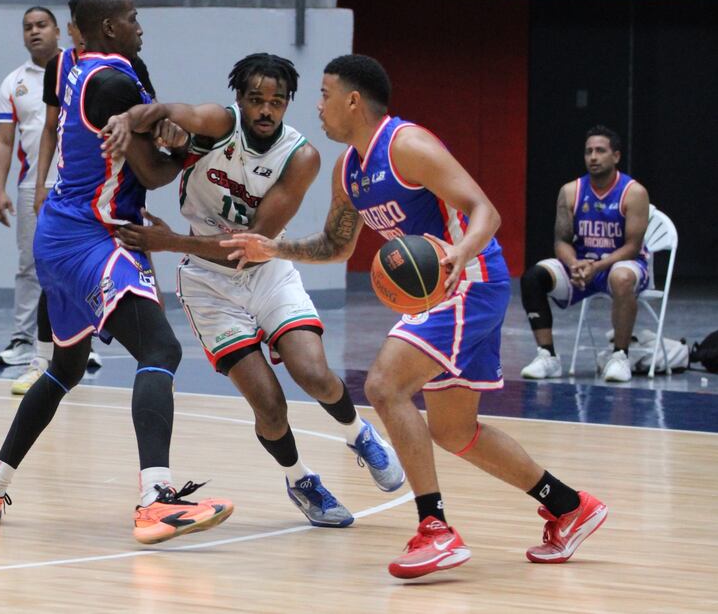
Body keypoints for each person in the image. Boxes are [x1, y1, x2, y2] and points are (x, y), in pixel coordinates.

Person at [221, 55, 607, 578]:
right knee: (455, 431)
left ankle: (436, 530)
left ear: (352, 101)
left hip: (466, 282)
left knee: (384, 385)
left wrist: (458, 253)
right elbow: (337, 244)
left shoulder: (407, 146)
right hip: (445, 291)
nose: (318, 106)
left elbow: (485, 212)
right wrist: (276, 248)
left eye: (325, 93)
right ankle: (569, 506)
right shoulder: (349, 169)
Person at [0, 0, 232, 545]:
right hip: (93, 236)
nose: (141, 26)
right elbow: (154, 172)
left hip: (58, 230)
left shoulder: (70, 64)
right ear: (110, 27)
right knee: (161, 350)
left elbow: (88, 139)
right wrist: (185, 149)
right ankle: (155, 499)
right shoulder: (113, 83)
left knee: (63, 368)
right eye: (133, 19)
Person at [100, 52, 404, 528]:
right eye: (257, 100)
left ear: (288, 105)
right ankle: (300, 480)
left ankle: (358, 433)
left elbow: (251, 246)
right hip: (207, 284)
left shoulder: (301, 156)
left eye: (277, 102)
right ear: (239, 100)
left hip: (265, 268)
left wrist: (169, 241)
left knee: (314, 374)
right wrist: (130, 118)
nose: (266, 110)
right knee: (269, 404)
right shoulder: (219, 124)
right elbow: (168, 111)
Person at [520, 126, 650, 383]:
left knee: (621, 278)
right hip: (582, 266)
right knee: (533, 277)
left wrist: (597, 267)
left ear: (616, 156)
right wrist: (575, 264)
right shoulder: (570, 191)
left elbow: (632, 247)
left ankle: (620, 356)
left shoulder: (634, 192)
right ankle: (548, 356)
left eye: (600, 151)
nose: (593, 156)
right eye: (588, 151)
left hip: (622, 264)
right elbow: (561, 241)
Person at [0, 7, 60, 370]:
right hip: (33, 186)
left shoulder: (78, 72)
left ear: (58, 30)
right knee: (30, 264)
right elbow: (4, 141)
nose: (35, 32)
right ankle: (22, 340)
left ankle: (77, 342)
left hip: (77, 186)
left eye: (42, 25)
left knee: (74, 266)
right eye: (28, 27)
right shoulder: (14, 82)